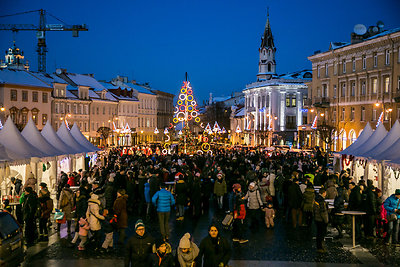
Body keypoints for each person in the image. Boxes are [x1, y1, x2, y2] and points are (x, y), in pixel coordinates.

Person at [314, 188, 329, 253]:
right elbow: (323, 212)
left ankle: (319, 247)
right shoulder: (321, 201)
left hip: (317, 218)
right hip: (321, 220)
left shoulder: (316, 199)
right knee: (321, 233)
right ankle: (320, 247)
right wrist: (326, 220)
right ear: (323, 193)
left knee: (318, 233)